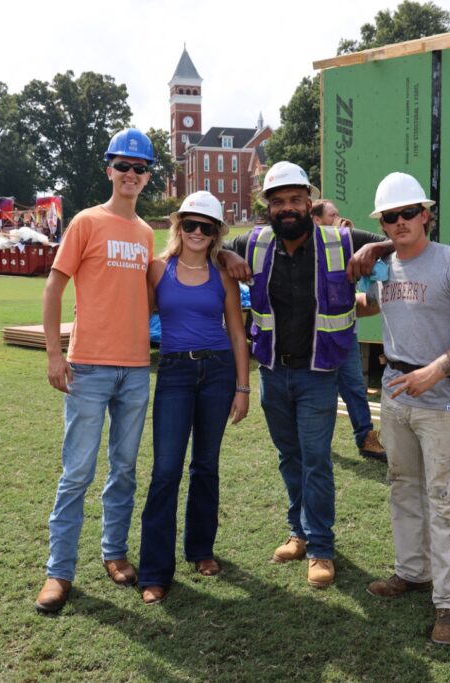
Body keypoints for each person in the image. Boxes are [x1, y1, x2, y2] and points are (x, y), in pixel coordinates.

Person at [224, 161, 387, 589]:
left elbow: (407, 241)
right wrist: (223, 253)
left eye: (296, 200)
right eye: (279, 202)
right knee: (289, 457)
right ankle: (297, 532)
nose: (288, 208)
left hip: (318, 375)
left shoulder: (340, 240)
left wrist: (376, 249)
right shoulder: (253, 243)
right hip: (274, 374)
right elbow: (200, 247)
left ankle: (320, 548)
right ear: (268, 208)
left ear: (310, 204)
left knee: (315, 460)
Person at [356, 172, 450, 646]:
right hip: (395, 396)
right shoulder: (385, 268)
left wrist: (434, 372)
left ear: (426, 214)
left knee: (447, 501)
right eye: (390, 217)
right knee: (403, 487)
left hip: (442, 399)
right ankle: (412, 573)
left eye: (407, 213)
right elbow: (368, 305)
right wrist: (342, 278)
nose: (399, 223)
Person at [34, 128, 159, 614]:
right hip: (86, 367)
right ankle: (58, 571)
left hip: (135, 370)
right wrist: (52, 353)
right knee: (77, 473)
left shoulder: (148, 234)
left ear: (147, 177)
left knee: (124, 470)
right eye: (123, 166)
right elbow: (52, 289)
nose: (131, 175)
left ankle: (114, 552)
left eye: (140, 168)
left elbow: (153, 296)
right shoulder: (86, 222)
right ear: (109, 170)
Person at [137, 191, 251, 605]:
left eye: (208, 227)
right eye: (191, 224)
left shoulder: (222, 274)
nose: (198, 233)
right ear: (177, 226)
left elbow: (238, 332)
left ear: (218, 233)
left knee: (206, 465)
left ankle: (200, 550)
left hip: (218, 372)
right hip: (174, 374)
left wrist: (243, 387)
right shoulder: (157, 269)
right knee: (166, 470)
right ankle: (153, 570)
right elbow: (135, 315)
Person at [310, 199, 387, 463]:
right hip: (313, 341)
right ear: (316, 219)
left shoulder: (345, 243)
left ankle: (366, 438)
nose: (340, 219)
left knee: (354, 387)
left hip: (344, 335)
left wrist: (368, 247)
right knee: (319, 394)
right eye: (333, 215)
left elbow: (385, 244)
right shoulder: (304, 248)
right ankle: (314, 443)